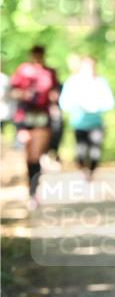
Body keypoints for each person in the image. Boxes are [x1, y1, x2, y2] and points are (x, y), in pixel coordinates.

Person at [9, 45, 60, 207]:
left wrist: (53, 99)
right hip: (24, 116)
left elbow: (55, 92)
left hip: (42, 116)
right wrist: (25, 94)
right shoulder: (23, 70)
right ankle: (29, 186)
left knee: (36, 155)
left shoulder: (49, 72)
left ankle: (33, 191)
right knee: (28, 154)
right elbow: (12, 91)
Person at [59, 56, 115, 179]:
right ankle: (83, 169)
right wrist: (77, 105)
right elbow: (63, 103)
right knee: (81, 151)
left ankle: (91, 171)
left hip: (96, 123)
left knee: (95, 152)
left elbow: (109, 103)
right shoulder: (72, 82)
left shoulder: (100, 82)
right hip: (79, 123)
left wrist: (96, 107)